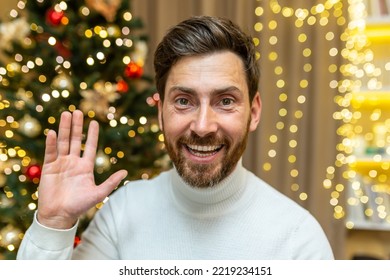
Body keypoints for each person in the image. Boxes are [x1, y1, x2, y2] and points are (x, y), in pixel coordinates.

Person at [17, 15, 334, 260]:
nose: (203, 125)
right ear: (160, 112)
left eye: (225, 101)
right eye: (184, 101)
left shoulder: (298, 239)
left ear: (253, 112)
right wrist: (53, 223)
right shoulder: (122, 213)